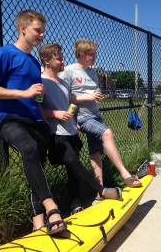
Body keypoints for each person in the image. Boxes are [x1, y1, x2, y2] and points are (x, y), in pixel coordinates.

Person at [0, 10, 67, 235]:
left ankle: (38, 223)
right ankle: (52, 207)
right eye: (38, 30)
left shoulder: (32, 61)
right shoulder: (3, 53)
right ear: (23, 28)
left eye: (42, 31)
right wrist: (24, 92)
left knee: (36, 167)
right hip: (10, 120)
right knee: (27, 148)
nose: (42, 35)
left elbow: (34, 96)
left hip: (37, 122)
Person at [38, 43, 121, 220]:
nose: (63, 60)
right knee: (73, 162)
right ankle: (103, 190)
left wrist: (74, 120)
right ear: (46, 61)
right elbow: (36, 110)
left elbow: (70, 105)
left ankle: (75, 204)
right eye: (59, 58)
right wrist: (54, 114)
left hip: (71, 131)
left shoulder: (63, 84)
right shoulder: (40, 83)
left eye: (62, 57)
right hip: (55, 134)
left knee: (72, 171)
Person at [59, 39, 142, 188]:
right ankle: (125, 175)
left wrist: (97, 95)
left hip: (95, 114)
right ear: (82, 54)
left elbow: (92, 92)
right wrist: (87, 98)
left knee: (96, 152)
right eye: (92, 54)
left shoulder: (92, 72)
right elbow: (64, 97)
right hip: (82, 117)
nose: (95, 56)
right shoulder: (69, 71)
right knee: (107, 133)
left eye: (95, 53)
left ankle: (99, 189)